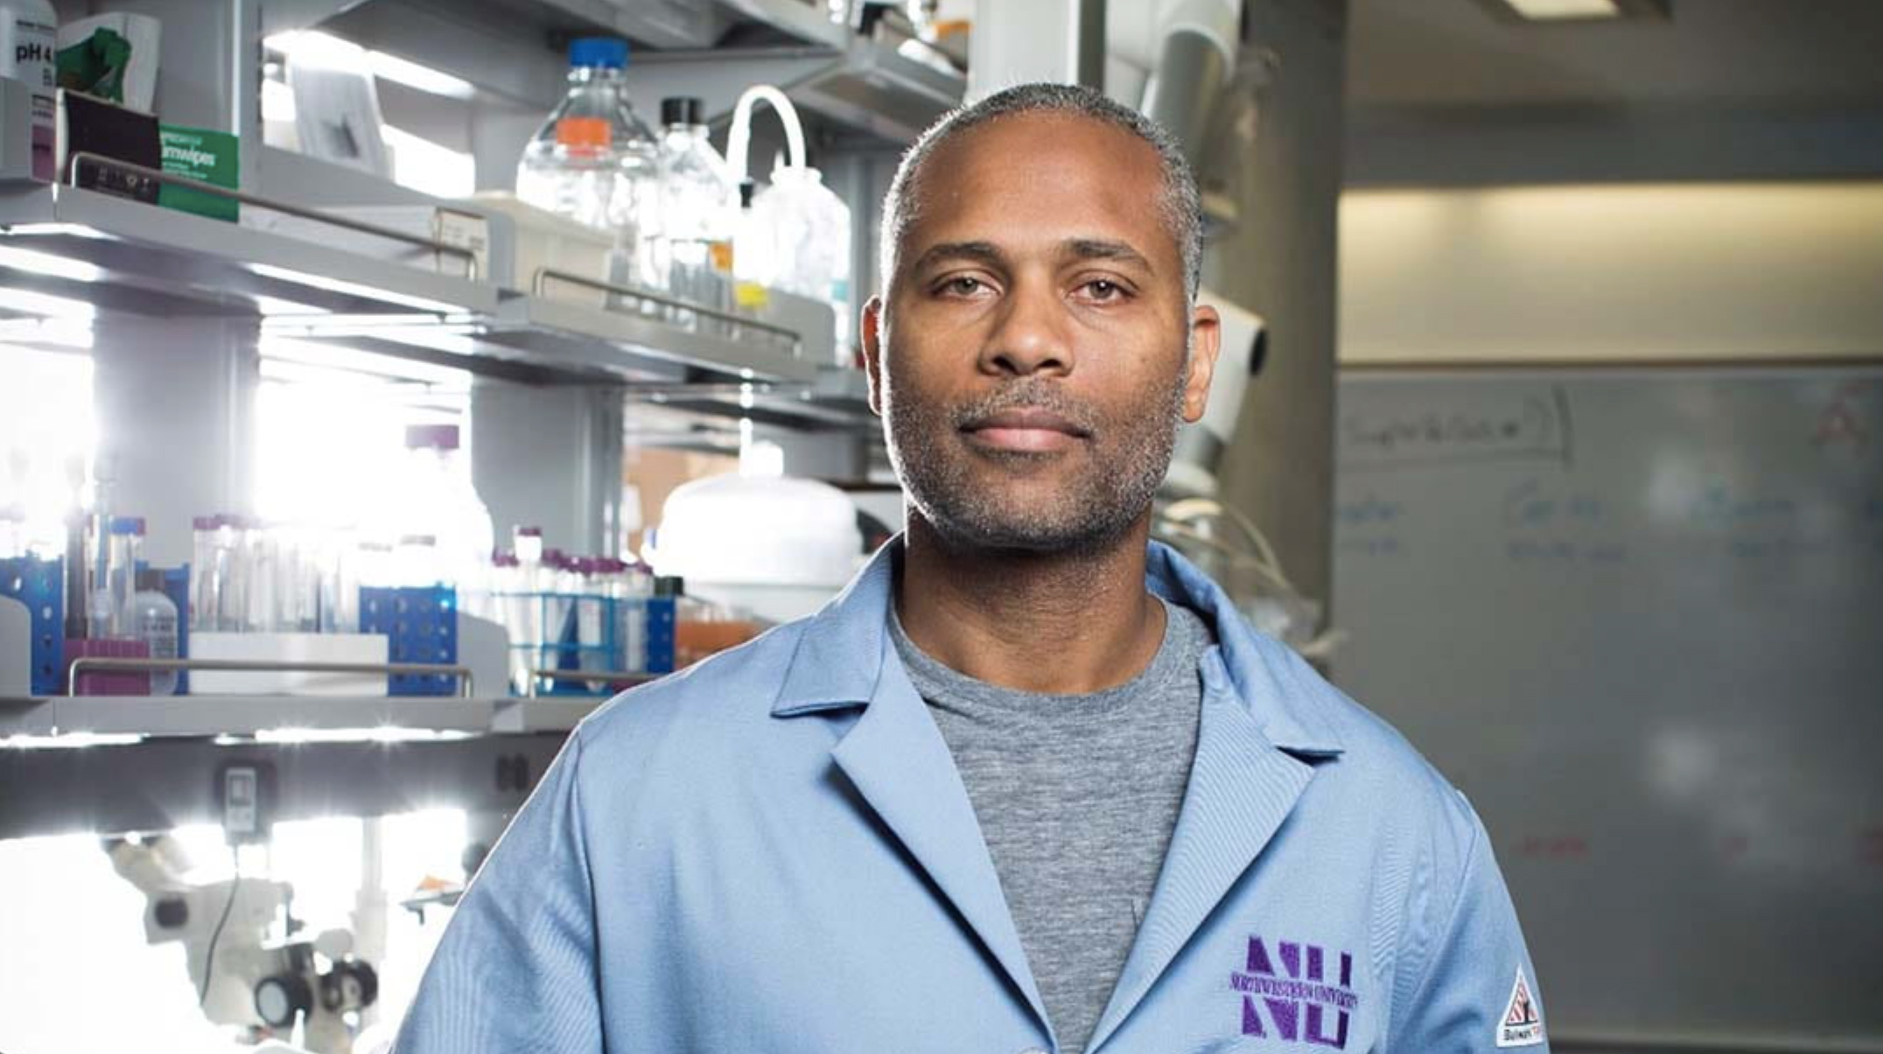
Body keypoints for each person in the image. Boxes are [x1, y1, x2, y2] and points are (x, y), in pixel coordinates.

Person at [394, 82, 1548, 1054]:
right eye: (961, 282)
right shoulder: (637, 794)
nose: (1026, 337)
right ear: (873, 352)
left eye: (1099, 284)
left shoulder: (1387, 826)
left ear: (1193, 362)